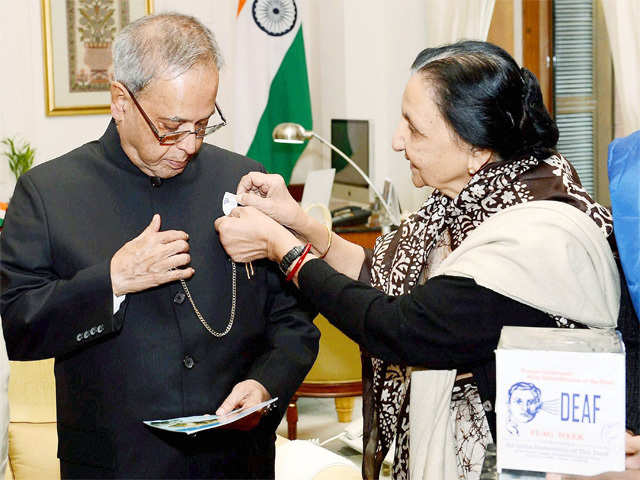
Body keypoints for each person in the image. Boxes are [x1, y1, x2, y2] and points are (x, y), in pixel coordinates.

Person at [214, 41, 635, 479]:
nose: (397, 141)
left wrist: (285, 251)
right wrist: (300, 223)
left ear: (476, 149)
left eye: (414, 130)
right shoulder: (463, 203)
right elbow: (377, 274)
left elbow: (397, 326)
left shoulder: (531, 240)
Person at [0, 13, 319, 479]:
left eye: (203, 124)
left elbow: (294, 320)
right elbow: (21, 327)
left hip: (236, 460)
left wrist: (266, 382)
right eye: (171, 127)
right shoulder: (47, 194)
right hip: (116, 464)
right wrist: (112, 281)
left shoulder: (242, 179)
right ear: (120, 101)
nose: (189, 145)